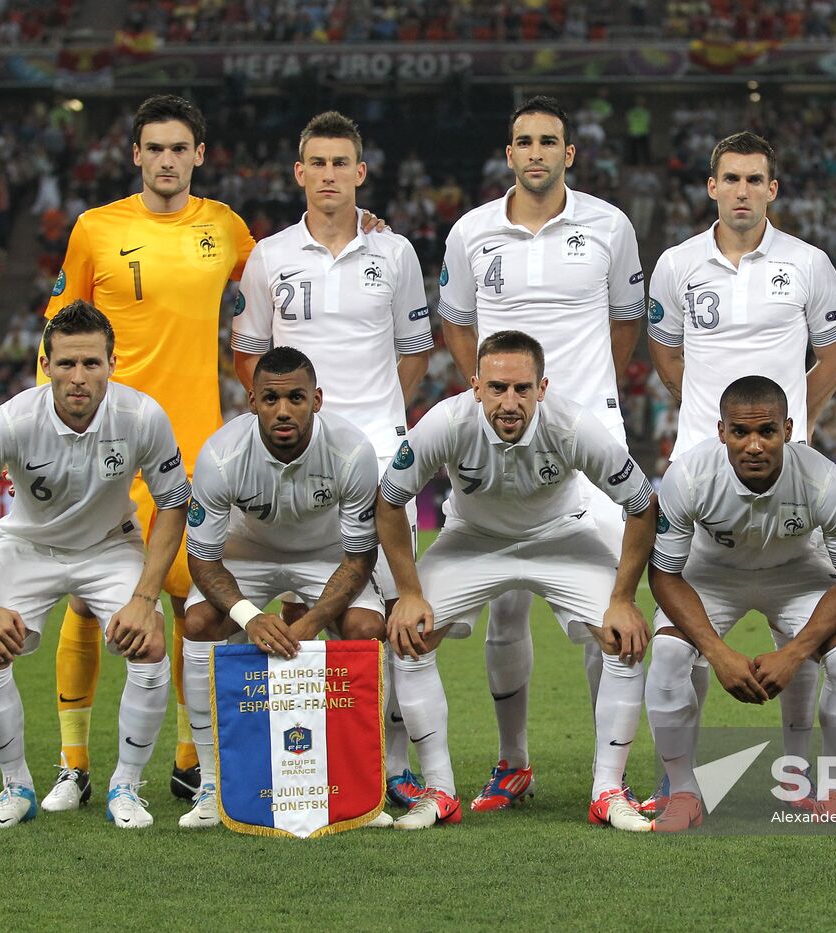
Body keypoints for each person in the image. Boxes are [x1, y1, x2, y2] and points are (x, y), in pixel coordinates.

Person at [40, 94, 256, 808]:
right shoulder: (96, 229)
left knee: (195, 606)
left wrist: (359, 222)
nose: (167, 160)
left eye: (179, 148)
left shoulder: (225, 228)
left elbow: (284, 272)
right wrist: (51, 432)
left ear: (200, 155)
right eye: (154, 148)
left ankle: (191, 762)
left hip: (194, 449)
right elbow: (56, 337)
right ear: (135, 155)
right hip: (105, 449)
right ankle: (74, 765)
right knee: (85, 602)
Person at [437, 96, 645, 812]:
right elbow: (457, 324)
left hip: (591, 438)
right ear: (509, 153)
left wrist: (583, 402)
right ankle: (513, 762)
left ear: (569, 153)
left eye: (548, 141)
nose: (535, 152)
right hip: (501, 434)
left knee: (606, 616)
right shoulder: (470, 232)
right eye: (523, 141)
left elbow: (625, 323)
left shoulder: (610, 226)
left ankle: (607, 776)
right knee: (505, 612)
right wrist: (492, 398)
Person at [646, 131, 836, 812]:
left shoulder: (809, 263)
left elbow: (835, 352)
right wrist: (713, 422)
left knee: (805, 633)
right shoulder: (677, 265)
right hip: (702, 465)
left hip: (786, 465)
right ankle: (679, 784)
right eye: (730, 179)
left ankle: (803, 777)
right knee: (680, 641)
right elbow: (666, 352)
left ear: (773, 189)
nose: (742, 191)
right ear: (713, 187)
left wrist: (794, 416)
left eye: (754, 179)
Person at [375, 331, 656, 831]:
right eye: (497, 388)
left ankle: (608, 789)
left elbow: (641, 503)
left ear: (542, 389)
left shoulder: (573, 426)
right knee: (409, 636)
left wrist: (623, 598)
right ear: (475, 385)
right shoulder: (446, 422)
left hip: (560, 537)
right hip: (472, 539)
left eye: (522, 389)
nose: (509, 402)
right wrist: (410, 593)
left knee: (625, 638)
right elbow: (389, 498)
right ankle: (439, 791)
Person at [231, 110, 433, 809]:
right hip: (297, 454)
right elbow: (250, 354)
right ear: (299, 172)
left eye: (340, 162)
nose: (328, 174)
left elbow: (415, 350)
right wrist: (295, 422)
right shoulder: (269, 256)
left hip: (378, 451)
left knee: (391, 610)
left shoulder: (395, 253)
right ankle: (304, 758)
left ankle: (393, 765)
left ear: (360, 172)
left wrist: (373, 416)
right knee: (302, 600)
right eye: (316, 162)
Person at [0, 302, 190, 829]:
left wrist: (145, 598)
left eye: (91, 363)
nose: (79, 377)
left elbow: (173, 501)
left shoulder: (142, 416)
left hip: (109, 547)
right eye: (67, 363)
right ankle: (16, 787)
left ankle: (126, 786)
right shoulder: (11, 421)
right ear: (46, 365)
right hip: (30, 548)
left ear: (112, 363)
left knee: (149, 642)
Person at [646, 375, 836, 832]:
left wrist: (794, 652)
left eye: (767, 431)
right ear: (721, 432)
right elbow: (665, 575)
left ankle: (835, 792)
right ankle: (682, 791)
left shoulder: (824, 480)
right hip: (713, 575)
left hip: (797, 574)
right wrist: (718, 653)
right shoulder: (689, 476)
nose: (754, 445)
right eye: (740, 432)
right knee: (669, 652)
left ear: (788, 430)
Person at [178, 347, 389, 829]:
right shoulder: (221, 456)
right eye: (271, 399)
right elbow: (203, 558)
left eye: (296, 397)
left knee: (366, 628)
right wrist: (249, 617)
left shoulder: (352, 451)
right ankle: (211, 785)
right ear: (252, 401)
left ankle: (362, 784)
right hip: (246, 554)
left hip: (326, 555)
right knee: (200, 622)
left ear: (317, 400)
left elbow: (359, 558)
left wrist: (311, 622)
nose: (284, 410)